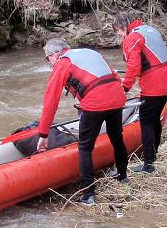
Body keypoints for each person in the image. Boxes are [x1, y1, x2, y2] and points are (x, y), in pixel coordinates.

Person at [37, 38, 128, 206]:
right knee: (116, 137)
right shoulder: (89, 52)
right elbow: (113, 77)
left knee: (85, 147)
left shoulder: (63, 63)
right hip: (117, 97)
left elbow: (51, 101)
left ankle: (89, 195)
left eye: (47, 57)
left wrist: (43, 133)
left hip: (96, 103)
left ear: (56, 54)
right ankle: (122, 176)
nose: (49, 62)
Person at [112, 11, 167, 174]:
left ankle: (148, 164)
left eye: (118, 30)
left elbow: (133, 67)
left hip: (155, 84)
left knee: (146, 120)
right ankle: (153, 156)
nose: (119, 34)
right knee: (154, 119)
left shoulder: (131, 38)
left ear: (124, 26)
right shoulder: (150, 30)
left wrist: (124, 88)